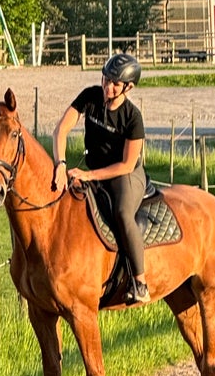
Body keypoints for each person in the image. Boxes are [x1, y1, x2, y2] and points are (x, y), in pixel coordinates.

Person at [51, 52, 151, 303]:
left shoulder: (133, 118)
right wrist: (60, 164)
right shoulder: (90, 97)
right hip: (92, 170)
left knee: (122, 213)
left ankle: (140, 282)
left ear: (128, 87)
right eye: (106, 79)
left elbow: (127, 164)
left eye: (115, 83)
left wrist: (88, 175)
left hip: (124, 175)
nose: (108, 86)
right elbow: (61, 129)